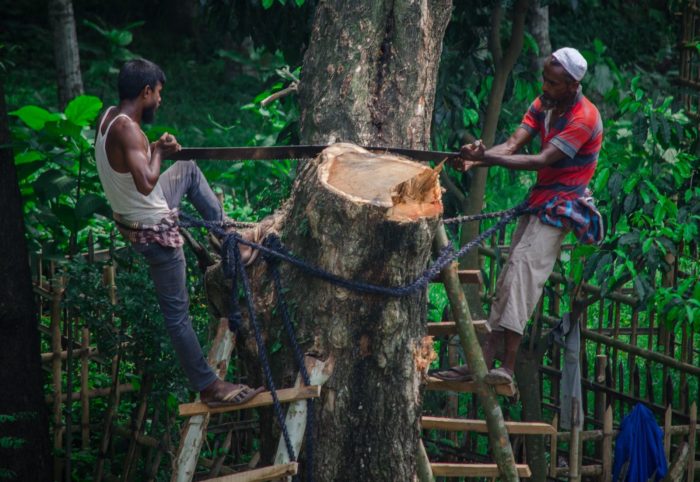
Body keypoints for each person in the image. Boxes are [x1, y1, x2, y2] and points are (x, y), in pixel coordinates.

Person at [95, 58, 264, 406]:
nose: (160, 100)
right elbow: (145, 183)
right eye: (158, 93)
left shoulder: (109, 116)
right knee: (177, 316)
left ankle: (229, 243)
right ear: (145, 92)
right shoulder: (127, 128)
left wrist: (154, 150)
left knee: (186, 167)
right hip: (153, 231)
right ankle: (209, 386)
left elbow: (134, 173)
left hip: (136, 218)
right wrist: (156, 150)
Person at [435, 47, 603, 385]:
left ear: (572, 86)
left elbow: (541, 160)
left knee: (524, 275)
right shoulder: (545, 105)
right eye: (544, 78)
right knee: (510, 274)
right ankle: (484, 360)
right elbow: (511, 145)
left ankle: (507, 367)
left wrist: (484, 159)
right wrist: (477, 158)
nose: (544, 86)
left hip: (563, 206)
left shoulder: (584, 118)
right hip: (540, 201)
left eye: (553, 83)